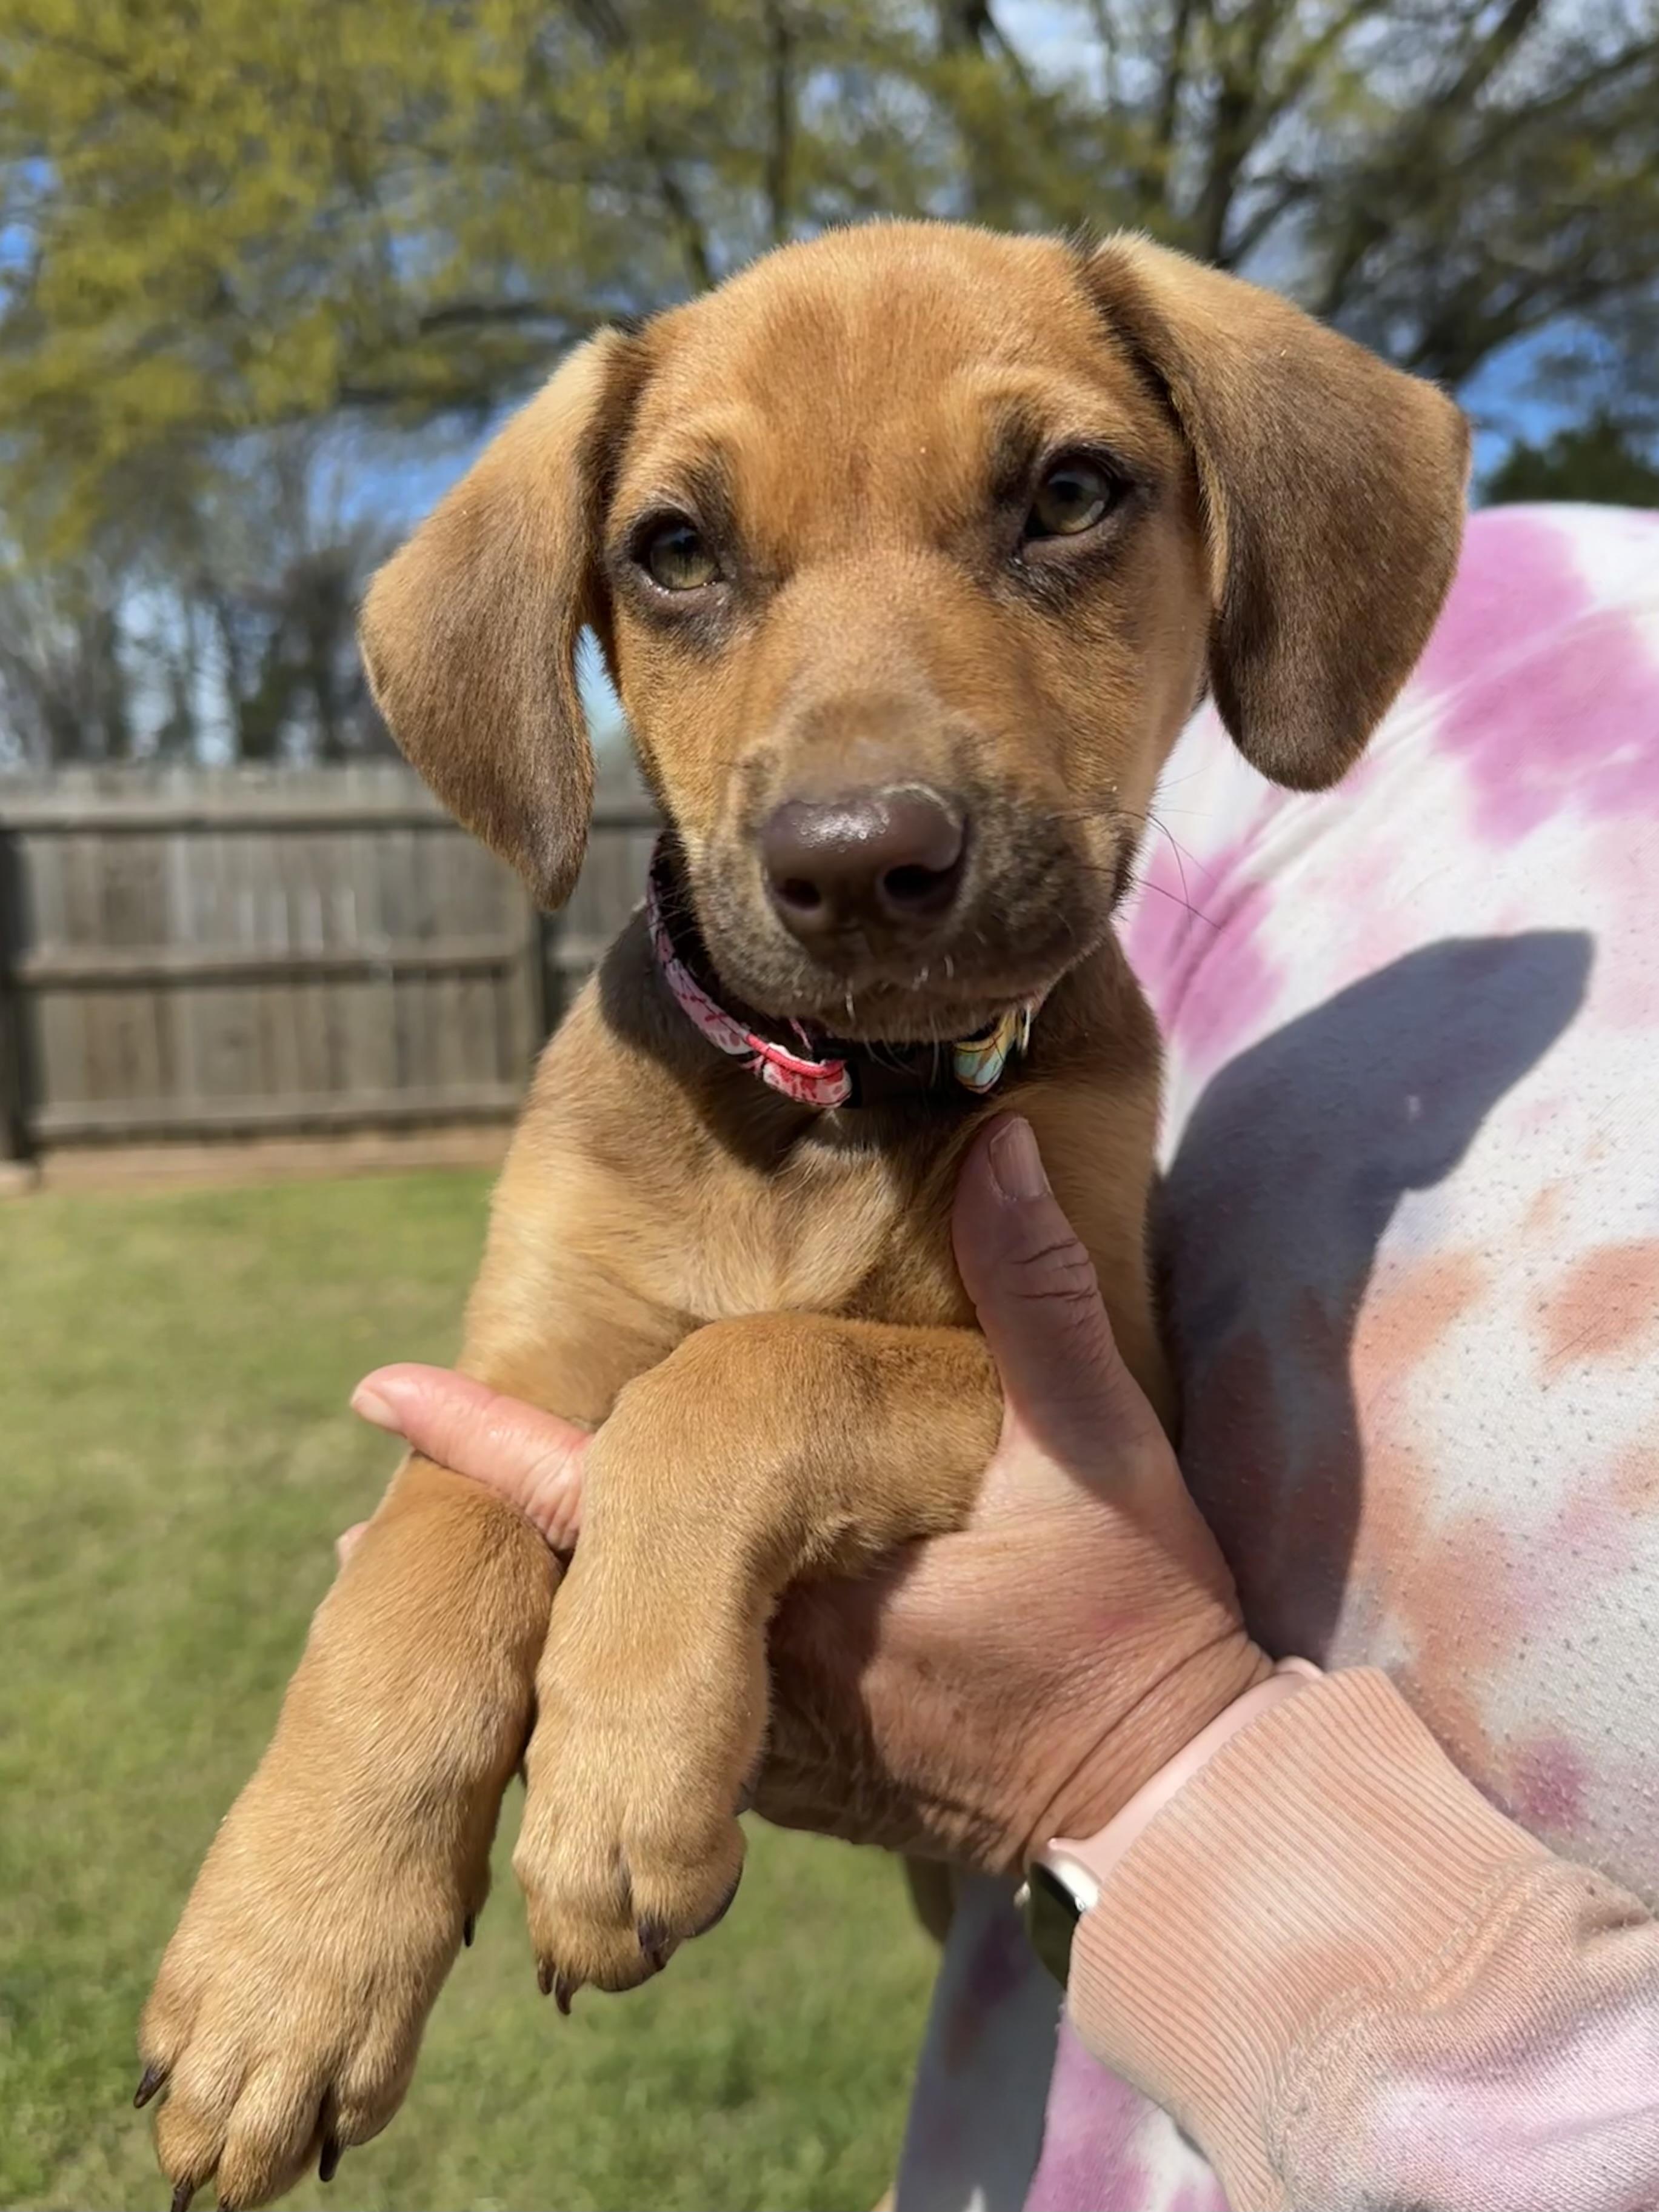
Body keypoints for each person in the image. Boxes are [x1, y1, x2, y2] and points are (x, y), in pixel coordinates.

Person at [347, 500, 1659, 2210]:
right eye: (680, 554)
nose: (862, 808)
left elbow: (1077, 1416)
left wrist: (755, 1431)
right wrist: (346, 1820)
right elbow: (500, 1453)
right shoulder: (1496, 670)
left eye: (1053, 508)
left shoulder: (1097, 999)